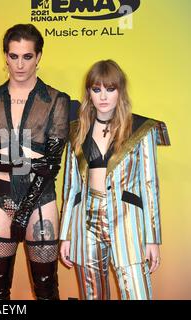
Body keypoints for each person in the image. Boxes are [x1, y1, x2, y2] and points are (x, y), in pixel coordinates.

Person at [59, 60, 170, 300]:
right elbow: (71, 188)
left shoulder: (141, 129)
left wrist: (153, 238)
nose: (103, 96)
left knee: (137, 293)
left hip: (126, 219)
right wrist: (66, 234)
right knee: (92, 294)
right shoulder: (77, 131)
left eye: (110, 89)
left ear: (120, 90)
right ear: (89, 92)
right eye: (97, 89)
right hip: (85, 220)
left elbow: (150, 185)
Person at [0, 24, 70, 300]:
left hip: (41, 200)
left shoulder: (56, 100)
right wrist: (31, 157)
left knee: (46, 289)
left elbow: (52, 165)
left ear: (38, 57)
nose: (19, 64)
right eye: (14, 56)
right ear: (5, 55)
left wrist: (5, 155)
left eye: (27, 56)